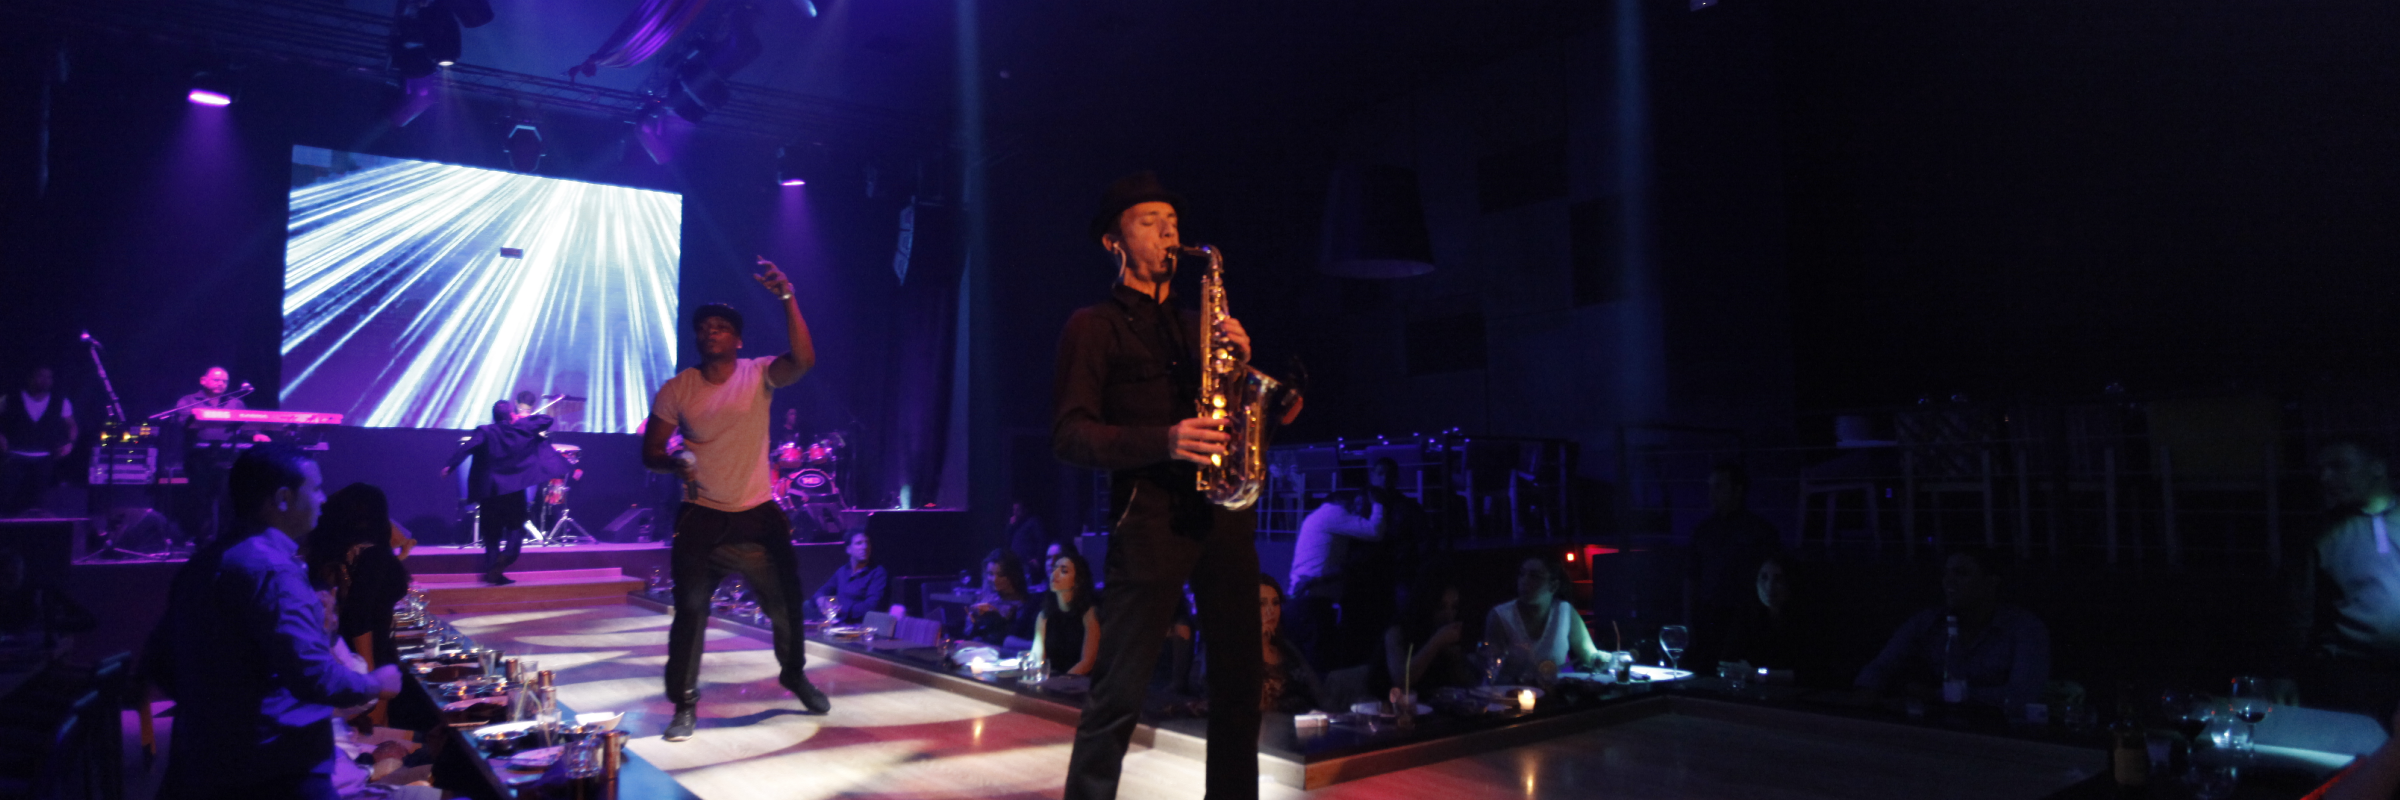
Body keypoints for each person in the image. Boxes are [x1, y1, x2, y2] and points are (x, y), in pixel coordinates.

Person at [1054, 171, 1296, 800]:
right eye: (1148, 221)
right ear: (1113, 242)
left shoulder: (1202, 325)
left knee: (1239, 683)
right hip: (1150, 516)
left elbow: (1242, 411)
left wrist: (1249, 376)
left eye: (1173, 222)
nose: (1167, 232)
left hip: (1223, 511)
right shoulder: (1093, 325)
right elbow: (1071, 435)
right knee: (1120, 690)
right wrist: (1162, 440)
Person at [144, 443, 404, 799]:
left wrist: (217, 712)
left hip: (205, 761)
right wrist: (376, 682)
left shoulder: (206, 561)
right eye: (315, 488)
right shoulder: (272, 570)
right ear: (282, 498)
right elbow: (314, 677)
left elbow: (159, 660)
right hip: (277, 769)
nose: (323, 499)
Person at [641, 256, 828, 742]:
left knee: (785, 605)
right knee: (691, 613)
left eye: (722, 327)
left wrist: (788, 295)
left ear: (738, 340)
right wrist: (674, 461)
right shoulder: (678, 389)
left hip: (757, 515)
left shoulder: (759, 372)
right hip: (702, 519)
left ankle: (793, 673)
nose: (712, 332)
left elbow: (805, 360)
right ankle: (684, 705)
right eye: (705, 327)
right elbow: (651, 451)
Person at [1855, 548, 2050, 711]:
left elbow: (2022, 696)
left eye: (1961, 573)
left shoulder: (2024, 628)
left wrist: (1936, 695)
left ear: (1991, 582)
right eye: (1947, 573)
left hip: (2002, 732)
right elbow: (1882, 665)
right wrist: (1867, 692)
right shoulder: (1927, 622)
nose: (1948, 580)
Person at [2288, 438, 2400, 716]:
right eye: (2322, 470)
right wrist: (2284, 672)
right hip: (2352, 677)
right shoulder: (2322, 534)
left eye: (2339, 466)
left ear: (2377, 468)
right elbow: (2298, 610)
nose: (2326, 478)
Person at [441, 400, 572, 585]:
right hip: (513, 489)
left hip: (490, 491)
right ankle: (507, 557)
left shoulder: (485, 431)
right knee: (516, 528)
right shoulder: (520, 428)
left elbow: (467, 447)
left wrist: (450, 465)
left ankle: (492, 572)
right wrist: (522, 418)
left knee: (491, 534)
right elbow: (546, 420)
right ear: (511, 414)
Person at [1687, 462, 1784, 646]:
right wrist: (1689, 620)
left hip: (1747, 620)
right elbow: (1691, 576)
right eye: (1710, 487)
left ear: (1737, 490)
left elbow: (1774, 576)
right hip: (1708, 619)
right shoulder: (1703, 532)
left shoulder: (1760, 531)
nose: (1711, 494)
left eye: (1718, 486)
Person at [1285, 490, 1385, 668]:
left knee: (1303, 666)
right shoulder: (1335, 514)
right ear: (1341, 501)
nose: (1355, 510)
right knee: (1318, 666)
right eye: (1354, 504)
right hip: (1313, 601)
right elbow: (1374, 531)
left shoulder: (1314, 517)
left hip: (1300, 599)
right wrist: (1378, 503)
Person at [1719, 555, 1842, 688]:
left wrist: (1755, 674)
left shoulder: (1810, 620)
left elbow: (1814, 674)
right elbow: (1728, 665)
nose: (1769, 587)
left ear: (1791, 582)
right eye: (1764, 577)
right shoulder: (1746, 616)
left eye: (1778, 579)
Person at [1481, 556, 1605, 683]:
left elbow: (1589, 655)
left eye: (1534, 576)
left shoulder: (1564, 611)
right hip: (1508, 695)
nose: (1524, 580)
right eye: (1522, 574)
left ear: (1553, 586)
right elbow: (1491, 664)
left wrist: (1603, 658)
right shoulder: (1500, 616)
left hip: (1555, 694)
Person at [1375, 574, 1474, 698]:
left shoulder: (1451, 638)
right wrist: (1436, 642)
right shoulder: (1397, 632)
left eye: (1454, 607)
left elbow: (1468, 687)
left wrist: (1455, 660)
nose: (1448, 615)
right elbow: (1401, 680)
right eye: (1440, 607)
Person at [0, 366, 75, 516]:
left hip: (44, 458)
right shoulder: (10, 398)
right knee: (7, 500)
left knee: (39, 504)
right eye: (41, 376)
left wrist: (69, 443)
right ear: (30, 378)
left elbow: (71, 425)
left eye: (49, 377)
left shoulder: (60, 401)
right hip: (14, 456)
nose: (45, 381)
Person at [1259, 574, 1326, 713]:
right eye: (1262, 603)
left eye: (1275, 603)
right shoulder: (1237, 652)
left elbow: (1318, 692)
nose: (1271, 611)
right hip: (1271, 727)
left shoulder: (1286, 647)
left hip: (1309, 722)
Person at [1031, 552, 1101, 678]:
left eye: (1064, 570)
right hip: (1050, 681)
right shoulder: (1044, 616)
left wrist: (1062, 680)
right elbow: (1036, 657)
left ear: (1077, 581)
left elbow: (1088, 662)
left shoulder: (1089, 613)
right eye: (1054, 568)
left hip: (1079, 685)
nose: (1055, 574)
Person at [813, 530, 889, 624]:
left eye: (867, 543)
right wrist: (820, 599)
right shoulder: (843, 571)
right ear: (848, 549)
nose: (864, 547)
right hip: (839, 624)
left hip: (860, 626)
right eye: (859, 543)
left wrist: (841, 609)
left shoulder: (877, 572)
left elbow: (871, 606)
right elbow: (822, 591)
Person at [967, 548, 1034, 645]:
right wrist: (973, 621)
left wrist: (995, 615)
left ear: (1013, 575)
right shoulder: (985, 599)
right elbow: (971, 635)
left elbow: (1012, 637)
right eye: (990, 574)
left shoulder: (1026, 605)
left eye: (1001, 574)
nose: (994, 579)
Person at [1006, 500, 1051, 579]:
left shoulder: (1033, 522)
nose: (1015, 513)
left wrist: (1038, 559)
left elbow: (1042, 541)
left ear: (1024, 510)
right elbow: (1007, 539)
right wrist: (1010, 526)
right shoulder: (1015, 525)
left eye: (1018, 510)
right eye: (1014, 510)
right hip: (1016, 564)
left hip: (1028, 564)